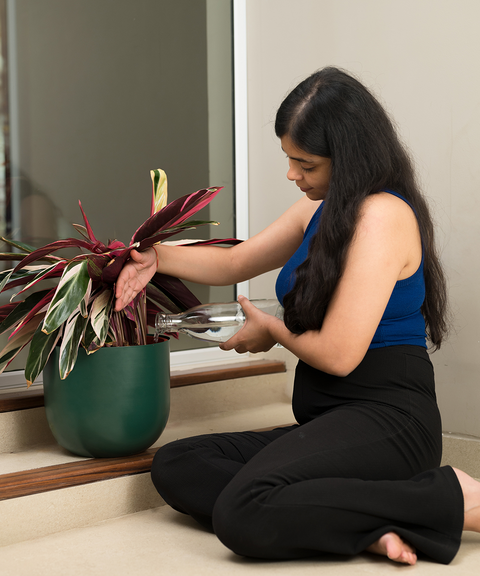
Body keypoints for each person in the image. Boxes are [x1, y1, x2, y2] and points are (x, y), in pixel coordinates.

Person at [114, 66, 480, 566]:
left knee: (242, 512)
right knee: (180, 464)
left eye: (304, 163)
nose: (292, 175)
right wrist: (157, 257)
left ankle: (449, 497)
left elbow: (338, 355)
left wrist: (273, 331)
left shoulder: (383, 217)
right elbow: (234, 261)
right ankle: (373, 522)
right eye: (289, 159)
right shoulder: (319, 211)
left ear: (346, 158)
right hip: (330, 423)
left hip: (390, 424)